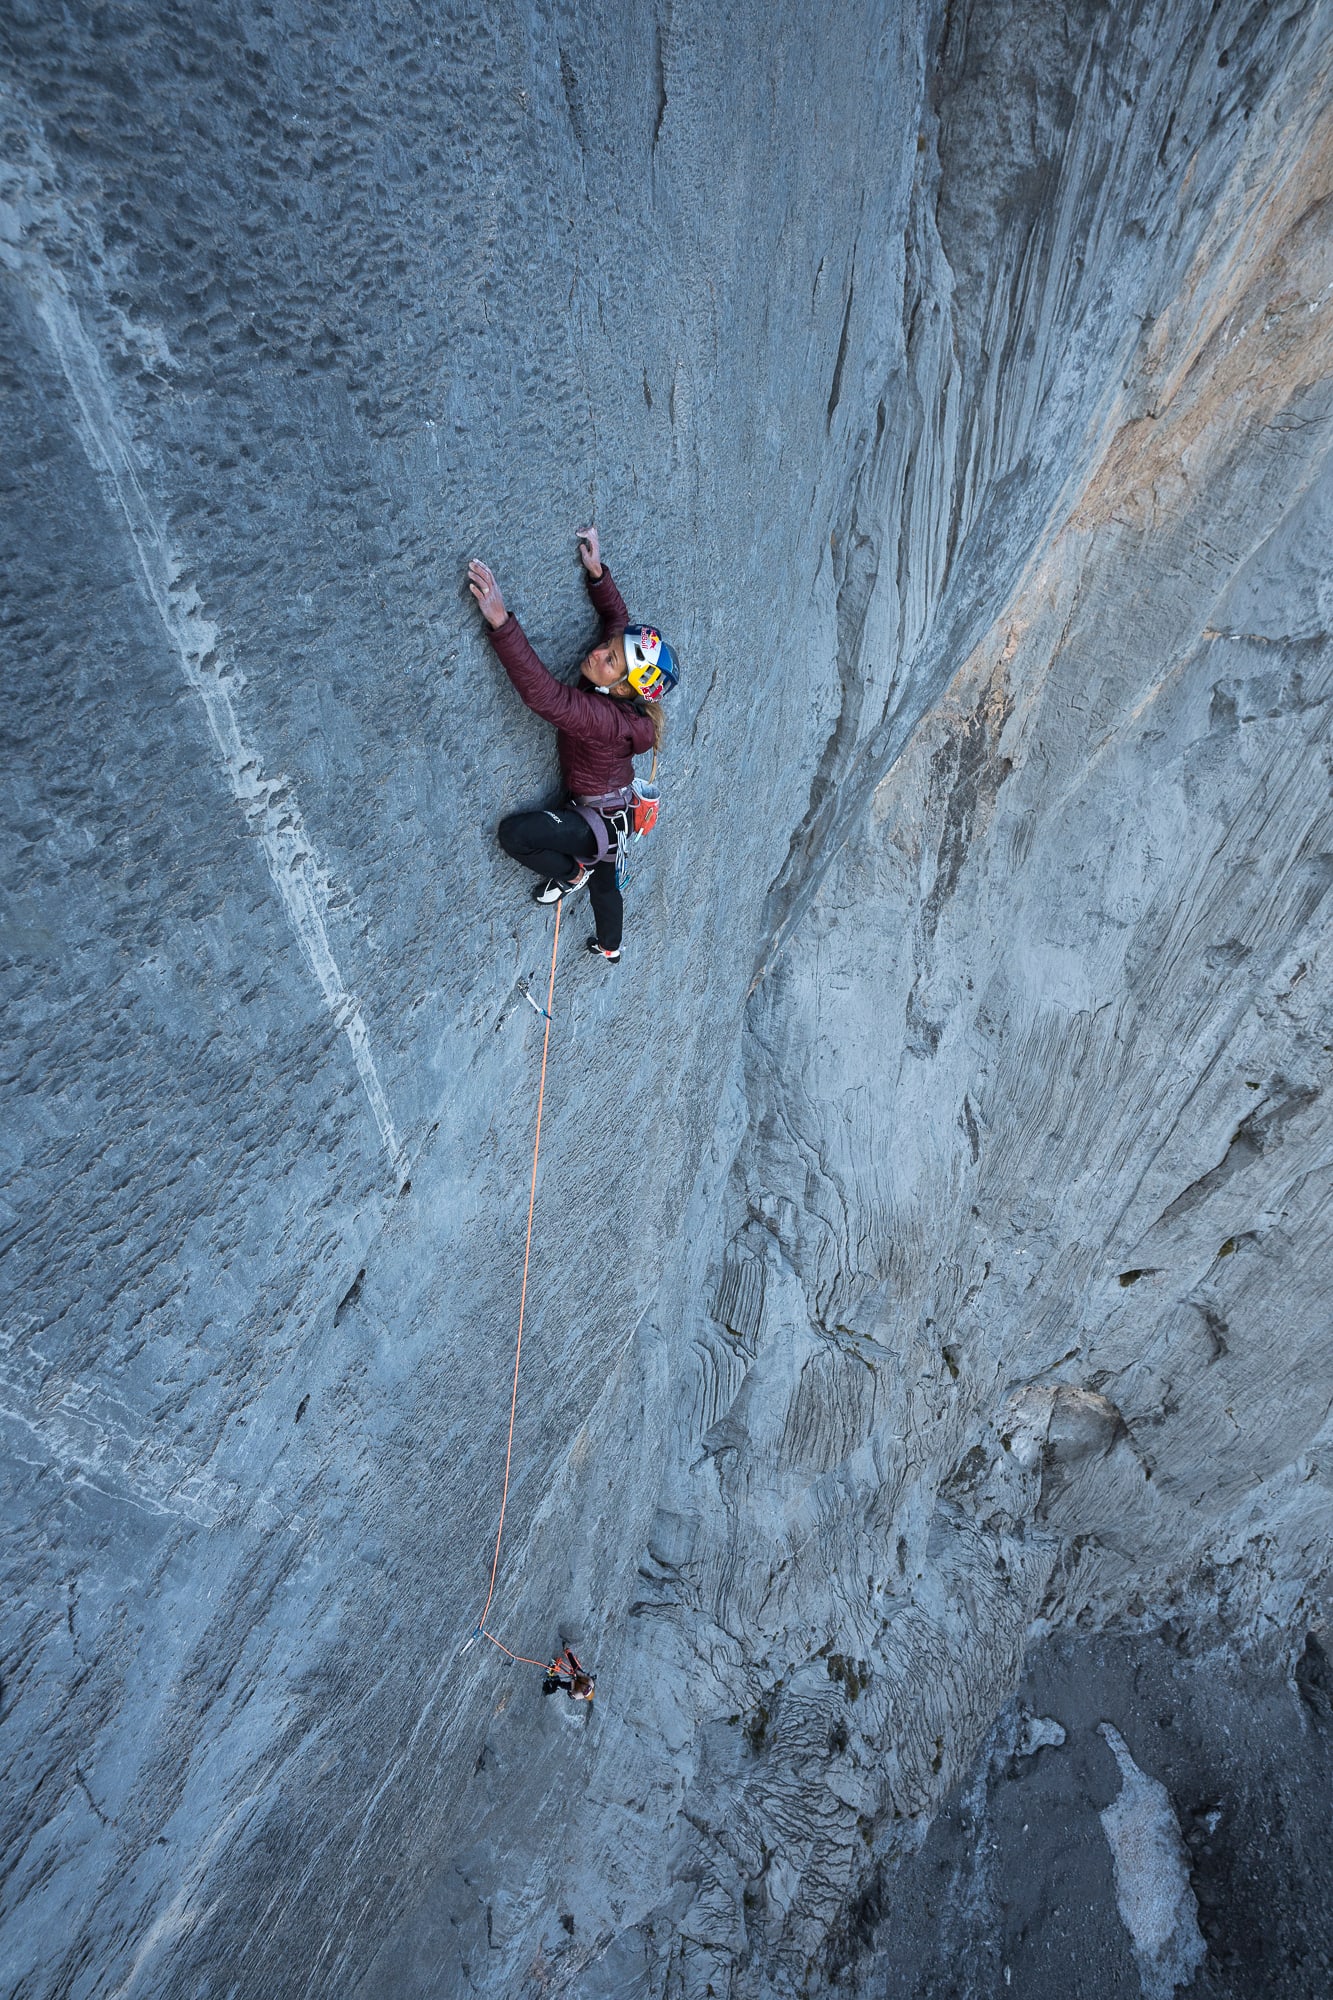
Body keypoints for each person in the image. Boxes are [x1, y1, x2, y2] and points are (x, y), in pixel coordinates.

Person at [467, 527, 677, 963]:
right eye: (607, 648)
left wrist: (503, 623)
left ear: (623, 690)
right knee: (607, 882)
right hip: (612, 815)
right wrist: (598, 574)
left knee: (517, 835)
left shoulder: (603, 719)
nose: (598, 653)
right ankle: (611, 947)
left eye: (609, 659)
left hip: (595, 819)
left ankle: (571, 871)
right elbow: (618, 620)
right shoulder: (620, 686)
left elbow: (545, 696)